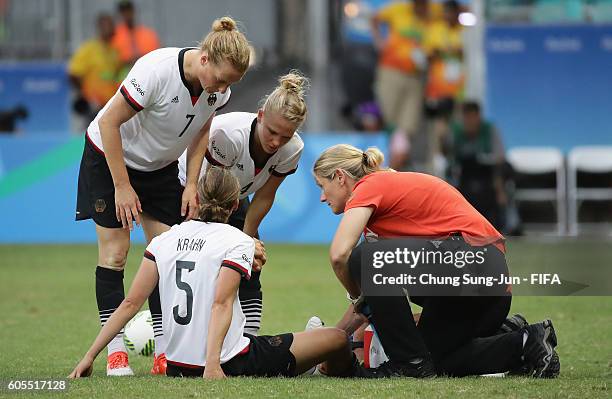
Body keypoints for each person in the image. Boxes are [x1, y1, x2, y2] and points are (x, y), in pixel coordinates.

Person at [74, 16, 251, 377]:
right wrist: (122, 186)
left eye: (230, 83)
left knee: (169, 252)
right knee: (116, 254)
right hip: (110, 159)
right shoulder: (154, 70)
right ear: (204, 59)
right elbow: (108, 123)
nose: (222, 87)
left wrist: (191, 183)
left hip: (161, 170)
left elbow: (203, 128)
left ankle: (164, 349)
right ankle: (115, 351)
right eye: (220, 78)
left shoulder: (219, 89)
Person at [69, 167, 360, 380]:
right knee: (335, 338)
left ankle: (304, 358)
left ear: (195, 200)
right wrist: (212, 366)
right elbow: (221, 303)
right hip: (230, 360)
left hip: (176, 366)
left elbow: (130, 304)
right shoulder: (238, 240)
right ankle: (324, 367)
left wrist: (89, 356)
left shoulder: (163, 240)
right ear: (235, 205)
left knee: (290, 342)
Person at [312, 144, 560, 378]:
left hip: (471, 266)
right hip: (487, 291)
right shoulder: (384, 204)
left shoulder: (370, 185)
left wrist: (357, 298)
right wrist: (327, 345)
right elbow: (372, 300)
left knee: (363, 256)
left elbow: (340, 255)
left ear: (340, 176)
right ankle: (524, 341)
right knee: (437, 360)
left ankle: (409, 364)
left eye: (322, 186)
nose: (323, 197)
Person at [177, 71, 308, 335]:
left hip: (235, 197)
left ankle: (249, 340)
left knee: (252, 262)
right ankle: (178, 342)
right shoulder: (229, 135)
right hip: (192, 190)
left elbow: (265, 196)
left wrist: (245, 243)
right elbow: (213, 192)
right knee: (196, 265)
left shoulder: (292, 148)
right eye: (272, 132)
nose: (276, 142)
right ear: (260, 116)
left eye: (285, 136)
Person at [370, 0, 433, 170]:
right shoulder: (398, 9)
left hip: (415, 76)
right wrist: (379, 42)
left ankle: (392, 169)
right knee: (388, 118)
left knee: (407, 126)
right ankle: (379, 165)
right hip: (392, 71)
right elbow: (374, 18)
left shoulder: (433, 11)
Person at [449, 101, 506, 230]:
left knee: (504, 171)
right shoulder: (456, 132)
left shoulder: (490, 130)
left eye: (473, 117)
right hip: (463, 178)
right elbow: (447, 155)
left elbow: (500, 157)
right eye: (467, 118)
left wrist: (482, 159)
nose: (470, 122)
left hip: (487, 176)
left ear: (478, 117)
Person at [68, 13, 121, 125]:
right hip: (94, 106)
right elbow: (73, 73)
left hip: (111, 104)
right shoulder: (89, 49)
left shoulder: (116, 49)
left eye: (111, 25)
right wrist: (84, 95)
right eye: (105, 25)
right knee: (93, 137)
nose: (109, 28)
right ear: (100, 28)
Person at [112, 0, 161, 78]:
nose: (127, 14)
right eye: (123, 11)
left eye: (129, 10)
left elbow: (158, 59)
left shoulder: (148, 34)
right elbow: (111, 63)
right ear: (120, 14)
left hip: (146, 79)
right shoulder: (114, 35)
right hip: (124, 83)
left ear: (134, 11)